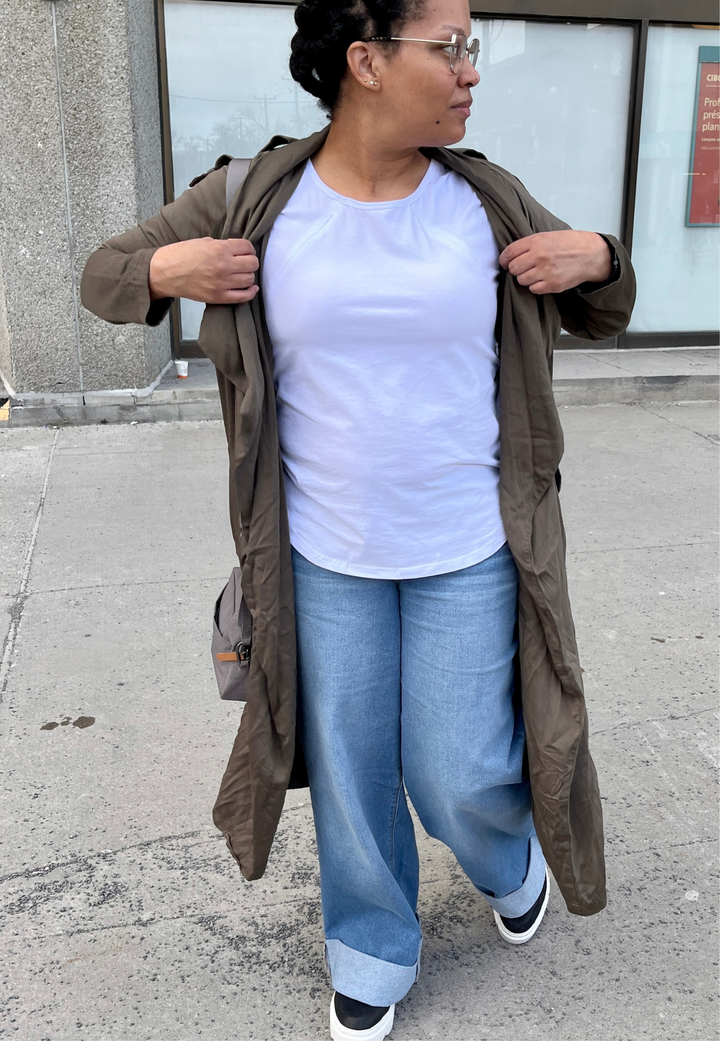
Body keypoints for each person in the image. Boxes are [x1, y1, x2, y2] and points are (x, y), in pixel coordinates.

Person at [81, 0, 636, 1036]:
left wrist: (596, 256)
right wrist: (168, 269)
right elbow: (102, 275)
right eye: (452, 47)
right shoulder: (253, 197)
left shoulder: (485, 199)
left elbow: (604, 301)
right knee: (349, 767)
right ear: (367, 61)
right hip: (321, 554)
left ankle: (506, 858)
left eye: (471, 48)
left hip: (470, 545)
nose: (472, 69)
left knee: (460, 768)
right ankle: (372, 948)